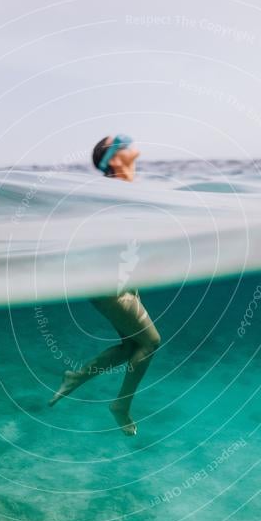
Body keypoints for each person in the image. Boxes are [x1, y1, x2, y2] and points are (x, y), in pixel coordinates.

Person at [48, 135, 161, 436]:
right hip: (108, 285)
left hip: (122, 282)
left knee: (132, 346)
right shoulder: (111, 191)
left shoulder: (126, 188)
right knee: (150, 343)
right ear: (112, 158)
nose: (130, 140)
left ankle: (76, 377)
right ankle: (121, 405)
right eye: (122, 141)